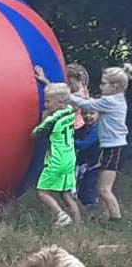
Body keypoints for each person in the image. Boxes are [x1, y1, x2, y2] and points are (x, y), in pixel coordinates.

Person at [40, 62, 131, 221]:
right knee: (102, 188)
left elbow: (84, 103)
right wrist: (50, 84)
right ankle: (111, 217)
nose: (100, 86)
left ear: (115, 86)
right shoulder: (116, 99)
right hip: (112, 148)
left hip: (114, 149)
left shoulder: (110, 102)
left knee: (104, 189)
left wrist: (59, 94)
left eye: (103, 83)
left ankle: (116, 220)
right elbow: (87, 101)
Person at [32, 82, 81, 228]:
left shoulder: (53, 119)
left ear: (60, 103)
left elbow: (36, 134)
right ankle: (78, 224)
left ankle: (61, 216)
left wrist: (44, 117)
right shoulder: (70, 111)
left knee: (42, 192)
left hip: (56, 160)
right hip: (70, 158)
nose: (45, 105)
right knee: (66, 193)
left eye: (48, 101)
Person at [75, 107, 102, 210]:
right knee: (81, 187)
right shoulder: (82, 129)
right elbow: (74, 133)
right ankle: (84, 209)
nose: (88, 116)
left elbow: (84, 144)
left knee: (90, 187)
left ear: (98, 115)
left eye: (91, 113)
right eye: (85, 113)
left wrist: (68, 141)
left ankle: (94, 210)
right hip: (83, 162)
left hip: (95, 164)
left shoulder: (99, 130)